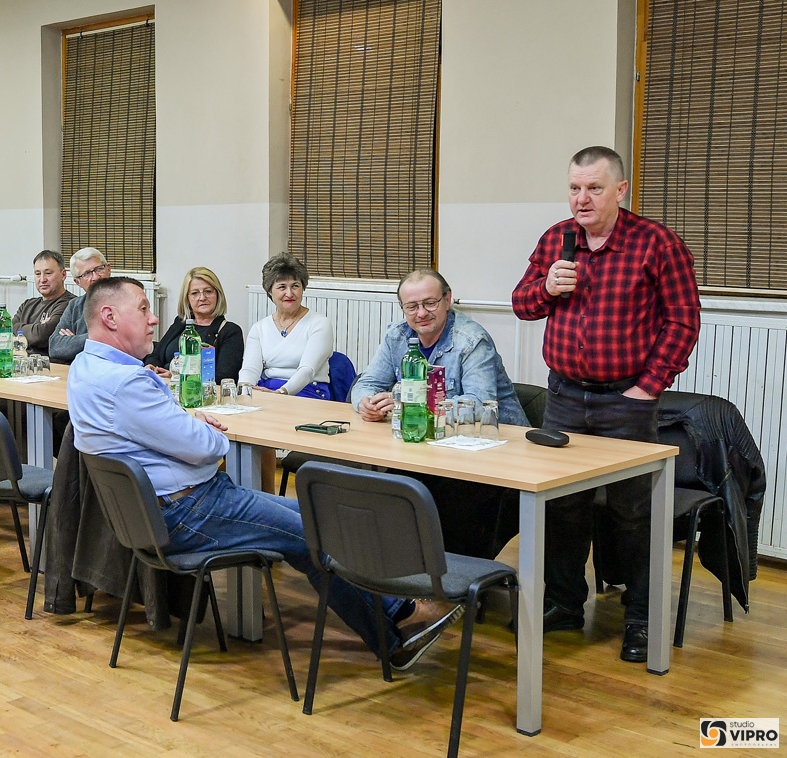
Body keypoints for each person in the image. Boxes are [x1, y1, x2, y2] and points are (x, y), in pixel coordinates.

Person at [67, 276, 462, 668]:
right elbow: (210, 448)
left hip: (159, 511)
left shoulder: (86, 367)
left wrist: (185, 423)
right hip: (186, 511)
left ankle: (397, 620)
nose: (153, 318)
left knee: (316, 517)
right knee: (314, 533)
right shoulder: (128, 382)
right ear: (110, 317)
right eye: (143, 309)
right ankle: (398, 628)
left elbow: (168, 435)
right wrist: (199, 428)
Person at [512, 145, 701, 663]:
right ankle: (564, 604)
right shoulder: (557, 238)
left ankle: (641, 619)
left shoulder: (655, 242)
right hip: (564, 397)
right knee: (562, 507)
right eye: (574, 188)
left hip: (626, 401)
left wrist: (649, 386)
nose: (582, 198)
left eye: (594, 188)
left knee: (631, 513)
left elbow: (683, 320)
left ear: (620, 189)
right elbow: (522, 304)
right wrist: (546, 286)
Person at [352, 268, 526, 425]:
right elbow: (366, 384)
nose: (421, 313)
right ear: (402, 307)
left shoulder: (472, 341)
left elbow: (479, 405)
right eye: (412, 307)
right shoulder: (396, 336)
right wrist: (366, 404)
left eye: (430, 303)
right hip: (433, 434)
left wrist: (411, 403)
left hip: (498, 438)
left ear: (447, 299)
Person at [238, 253, 334, 398]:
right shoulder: (259, 328)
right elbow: (250, 369)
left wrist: (280, 393)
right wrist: (244, 393)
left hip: (307, 393)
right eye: (282, 287)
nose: (289, 293)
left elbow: (307, 371)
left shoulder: (319, 324)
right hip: (267, 392)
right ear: (270, 291)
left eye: (295, 286)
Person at [145, 267, 244, 382]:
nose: (202, 298)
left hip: (198, 391)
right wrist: (152, 366)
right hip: (165, 385)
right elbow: (156, 355)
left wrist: (178, 377)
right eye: (195, 293)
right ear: (187, 298)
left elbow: (224, 377)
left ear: (218, 294)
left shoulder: (230, 331)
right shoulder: (181, 322)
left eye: (208, 291)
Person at [49, 247, 111, 363]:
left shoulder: (126, 300)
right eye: (87, 274)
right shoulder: (75, 305)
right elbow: (55, 347)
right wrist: (96, 337)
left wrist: (74, 340)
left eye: (99, 269)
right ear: (77, 282)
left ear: (108, 269)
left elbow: (122, 342)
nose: (95, 277)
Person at [13, 250, 75, 357]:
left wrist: (20, 329)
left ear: (63, 275)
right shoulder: (27, 305)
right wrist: (37, 328)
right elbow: (8, 328)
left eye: (48, 273)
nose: (42, 279)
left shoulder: (71, 304)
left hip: (50, 364)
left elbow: (40, 336)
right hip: (21, 362)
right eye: (38, 274)